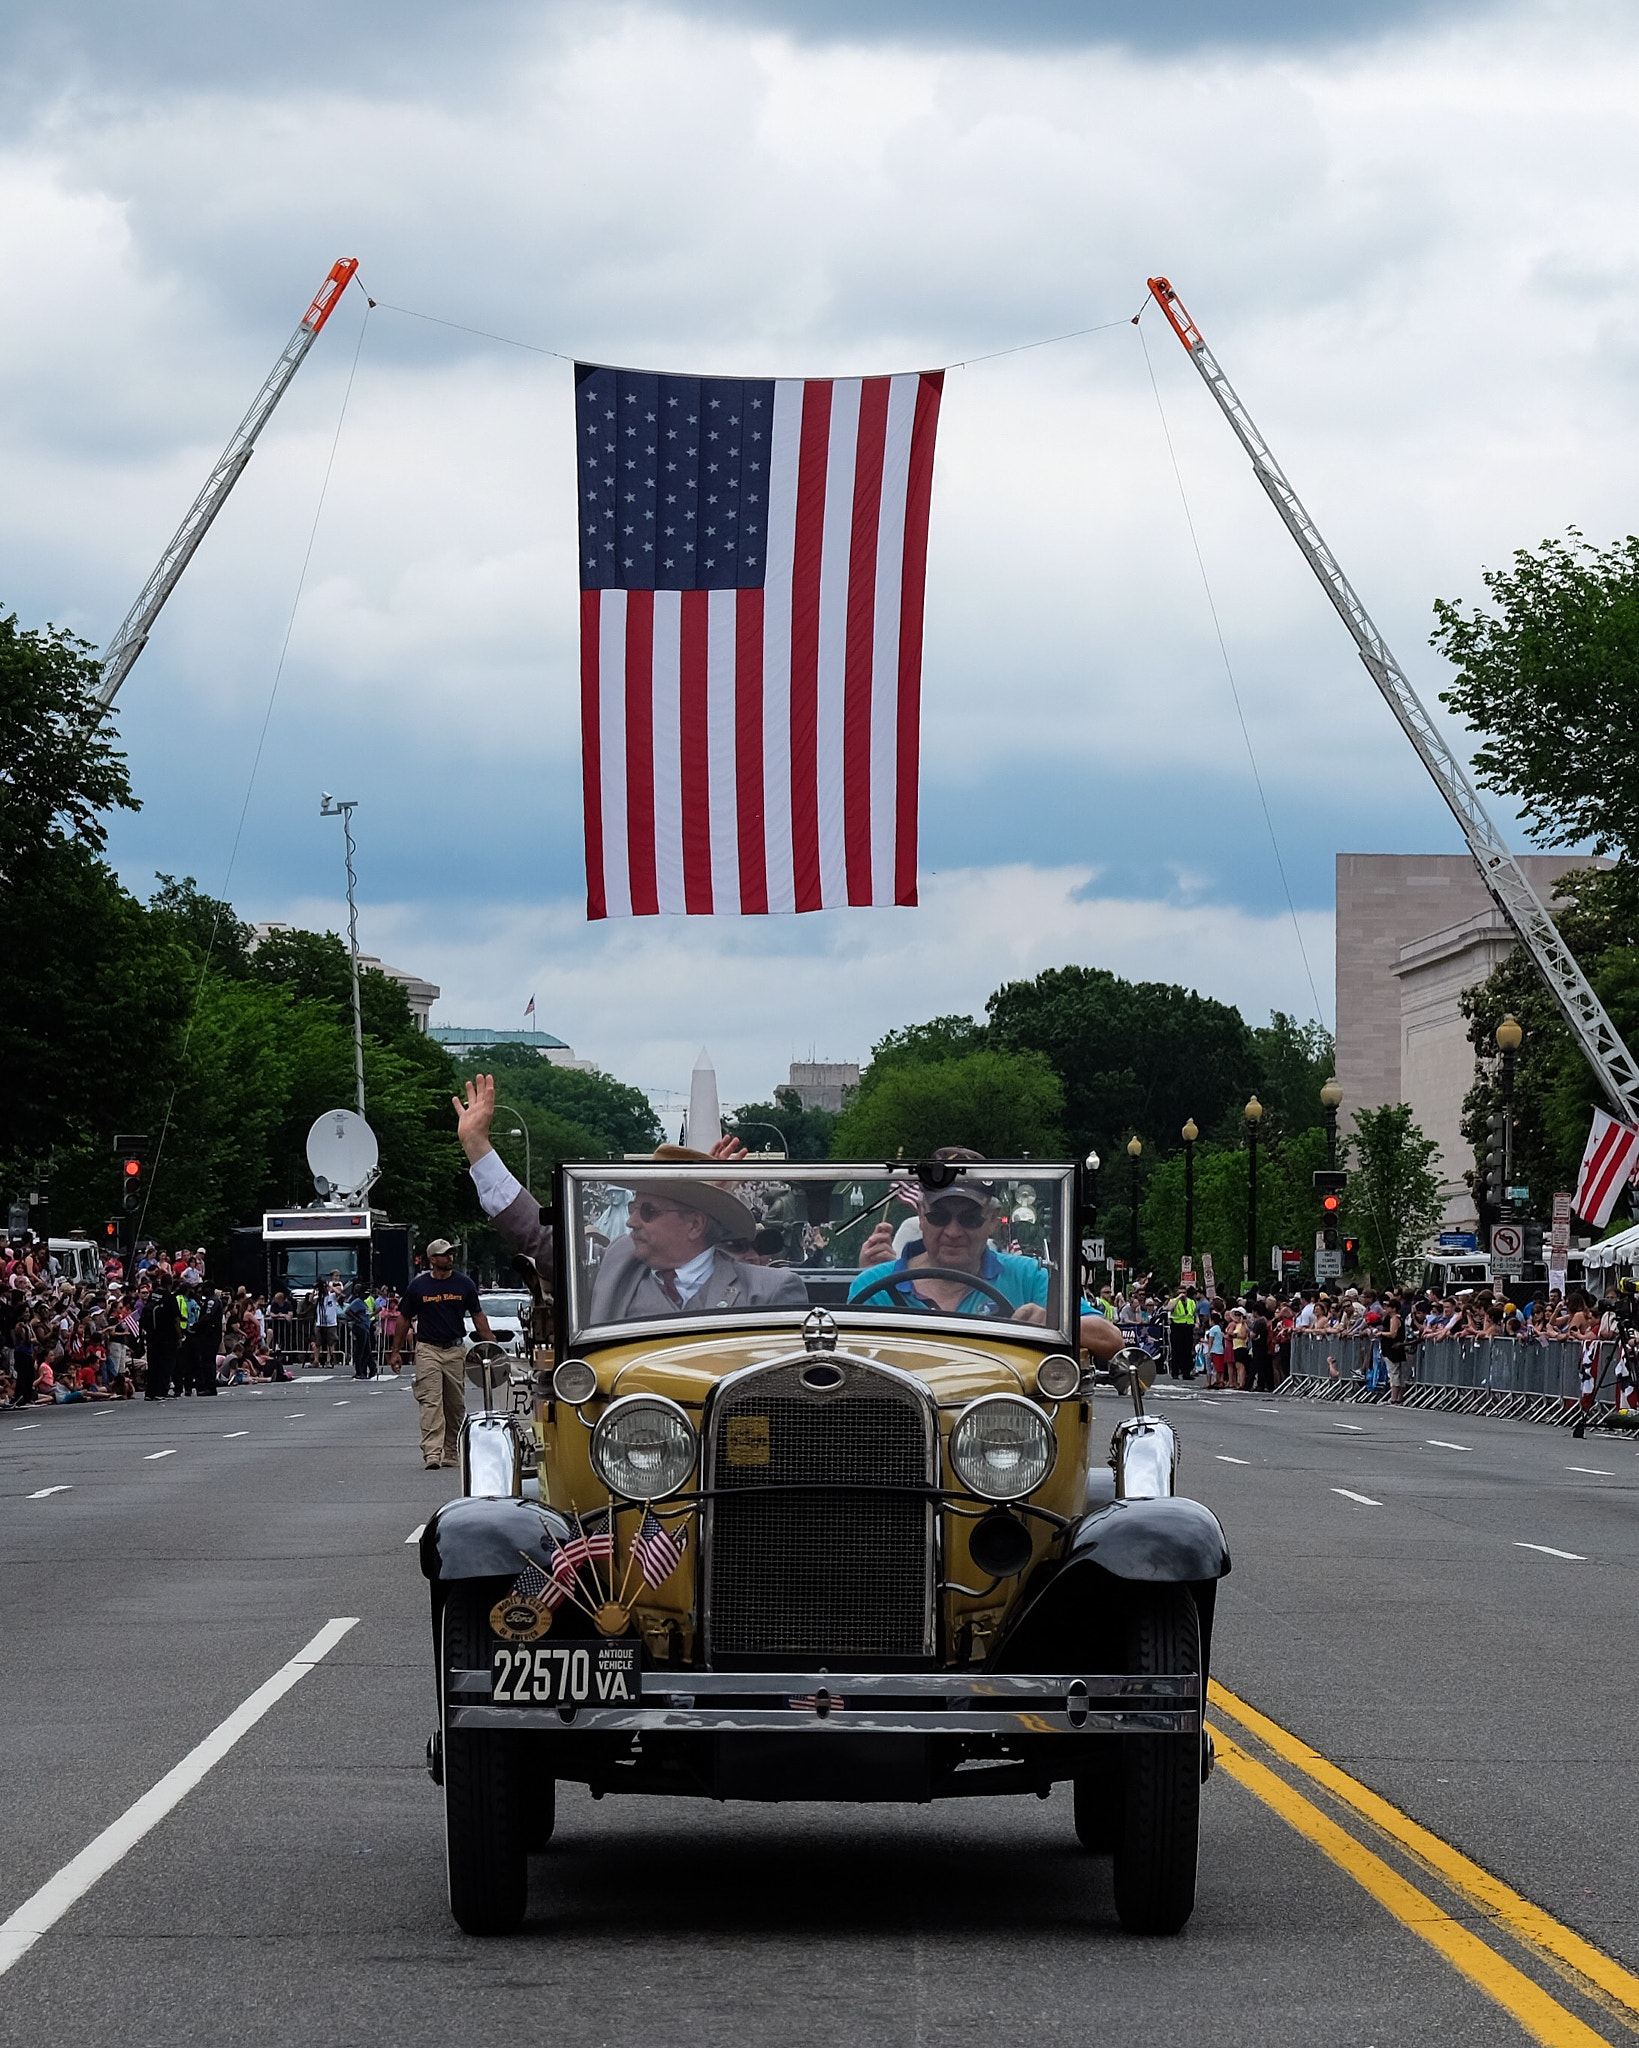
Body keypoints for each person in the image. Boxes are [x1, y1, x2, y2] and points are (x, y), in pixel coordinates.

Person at [450, 1073, 806, 1322]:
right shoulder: (617, 1266)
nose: (632, 1220)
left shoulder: (770, 1290)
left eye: (647, 1210)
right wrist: (478, 1149)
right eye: (634, 1207)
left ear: (695, 1224)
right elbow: (540, 1238)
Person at [388, 1240, 496, 1470]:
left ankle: (450, 1451)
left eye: (451, 1254)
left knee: (455, 1405)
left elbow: (478, 1316)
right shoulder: (419, 1287)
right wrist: (395, 1351)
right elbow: (404, 1319)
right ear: (432, 1260)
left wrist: (491, 1346)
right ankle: (432, 1452)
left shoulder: (464, 1284)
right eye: (444, 1254)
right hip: (428, 1350)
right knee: (431, 1401)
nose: (450, 1258)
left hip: (455, 1350)